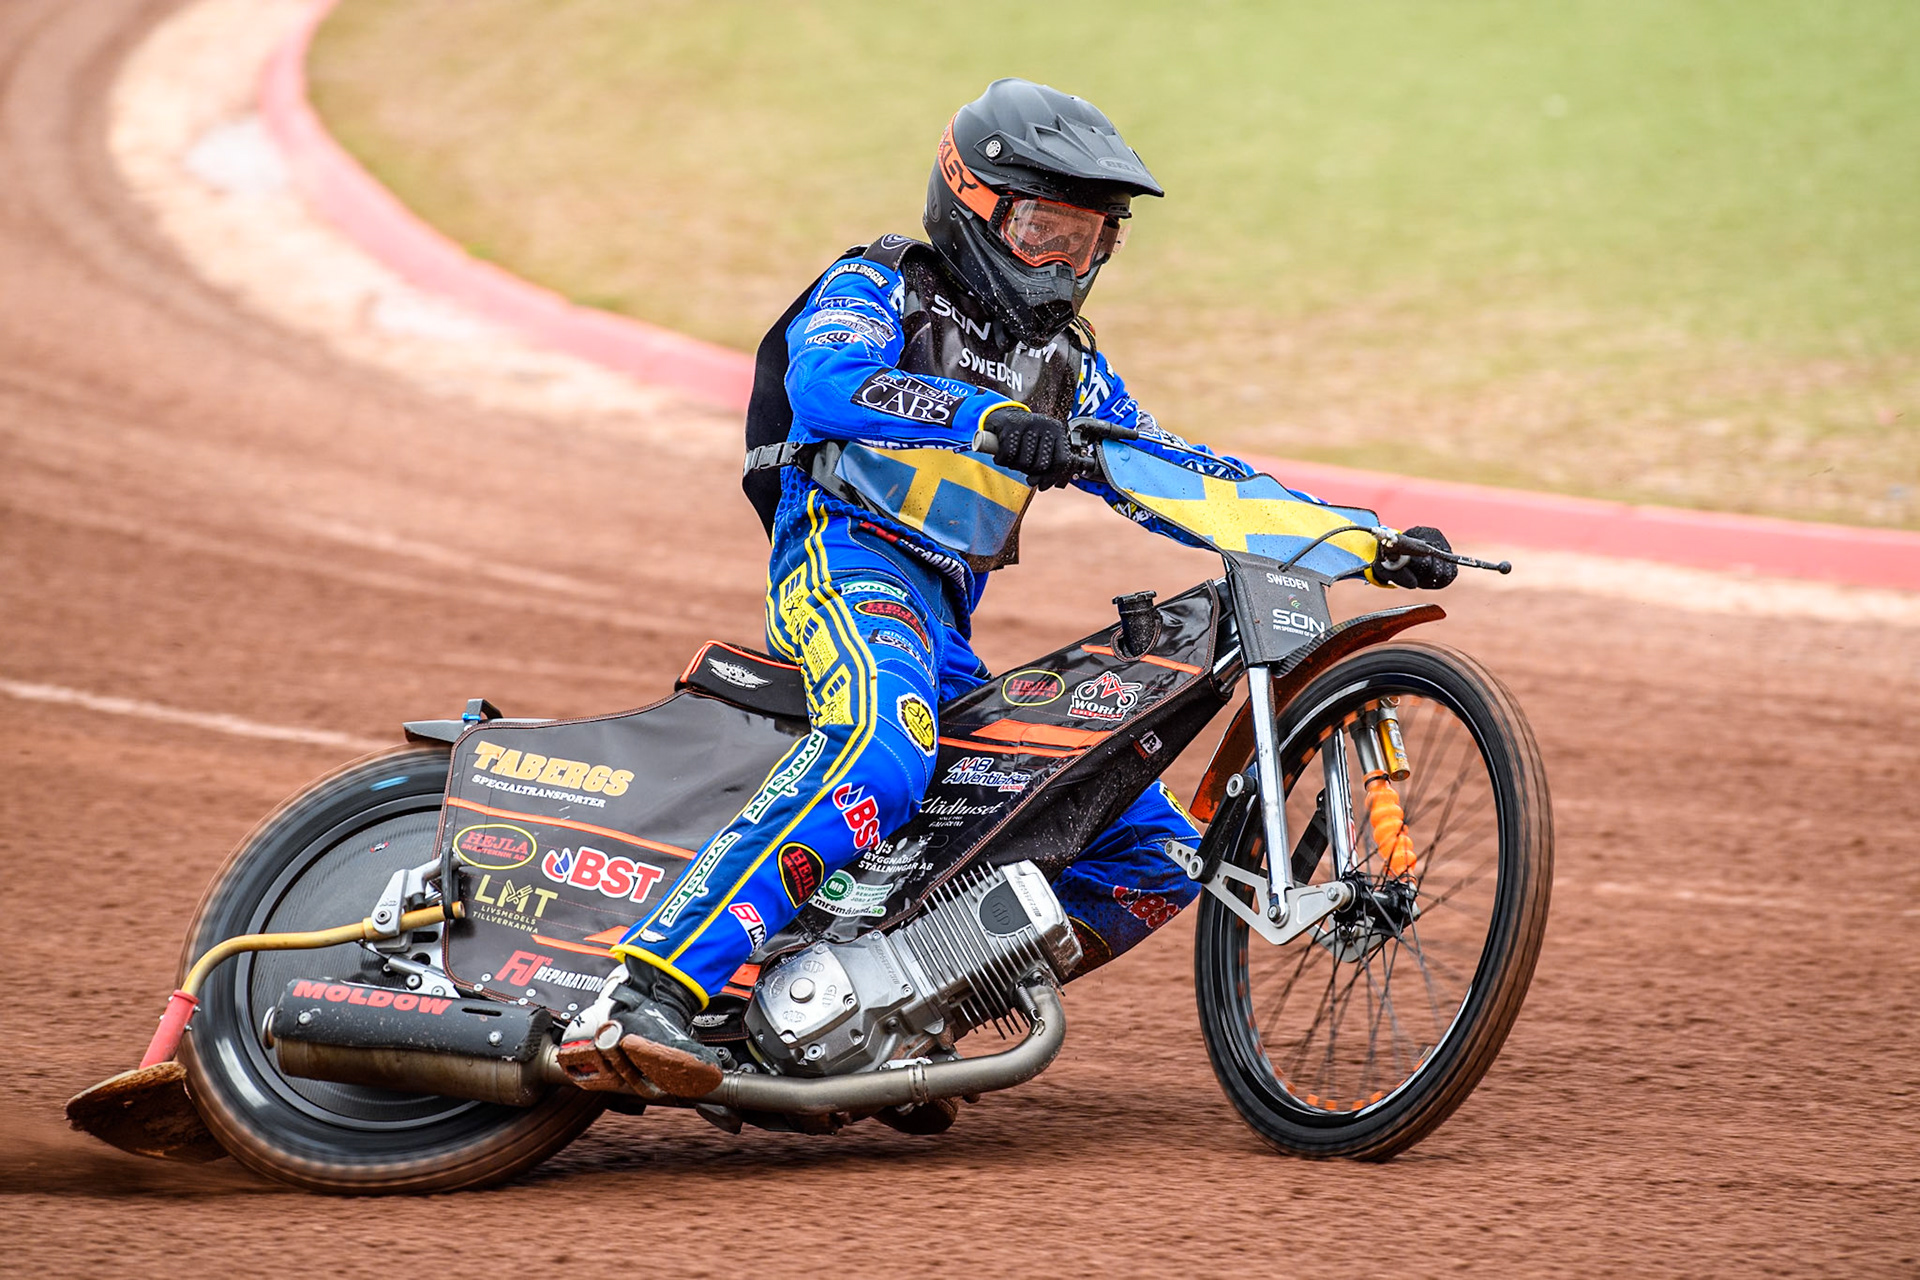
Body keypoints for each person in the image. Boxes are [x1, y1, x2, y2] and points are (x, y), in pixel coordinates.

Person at [565, 78, 1457, 1100]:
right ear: (971, 201)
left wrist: (1359, 539)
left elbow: (1176, 472)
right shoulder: (879, 281)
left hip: (944, 620)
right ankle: (648, 991)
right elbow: (827, 383)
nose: (1065, 265)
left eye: (1089, 242)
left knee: (1157, 855)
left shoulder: (1069, 367)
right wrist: (983, 418)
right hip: (844, 561)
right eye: (1043, 230)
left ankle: (902, 1009)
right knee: (885, 747)